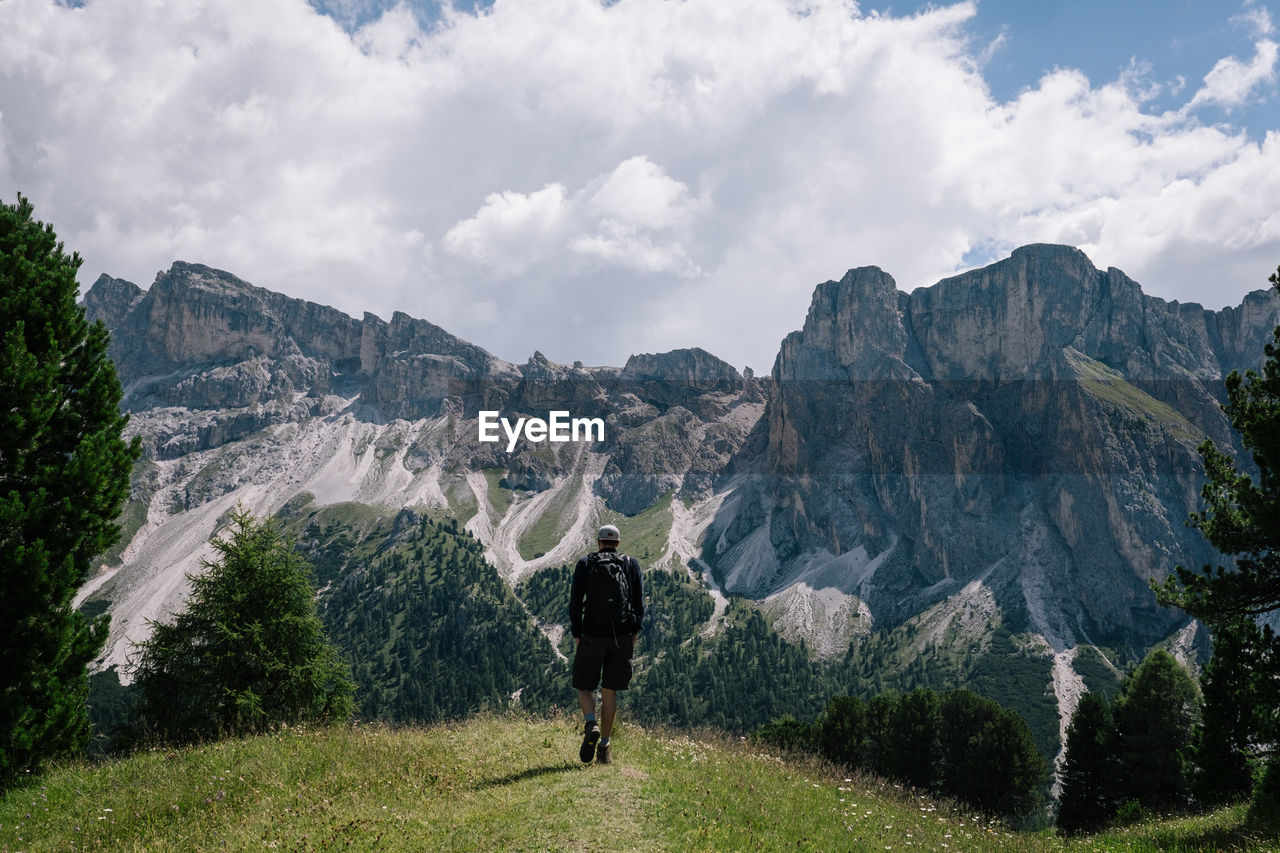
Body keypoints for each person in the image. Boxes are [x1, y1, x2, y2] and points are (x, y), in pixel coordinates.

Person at [570, 523, 644, 765]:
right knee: (609, 691)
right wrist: (633, 632)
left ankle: (591, 723)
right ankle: (604, 747)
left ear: (599, 541)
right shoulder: (631, 564)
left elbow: (574, 602)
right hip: (620, 638)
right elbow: (639, 603)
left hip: (591, 635)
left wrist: (577, 633)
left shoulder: (585, 563)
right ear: (618, 543)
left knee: (584, 687)